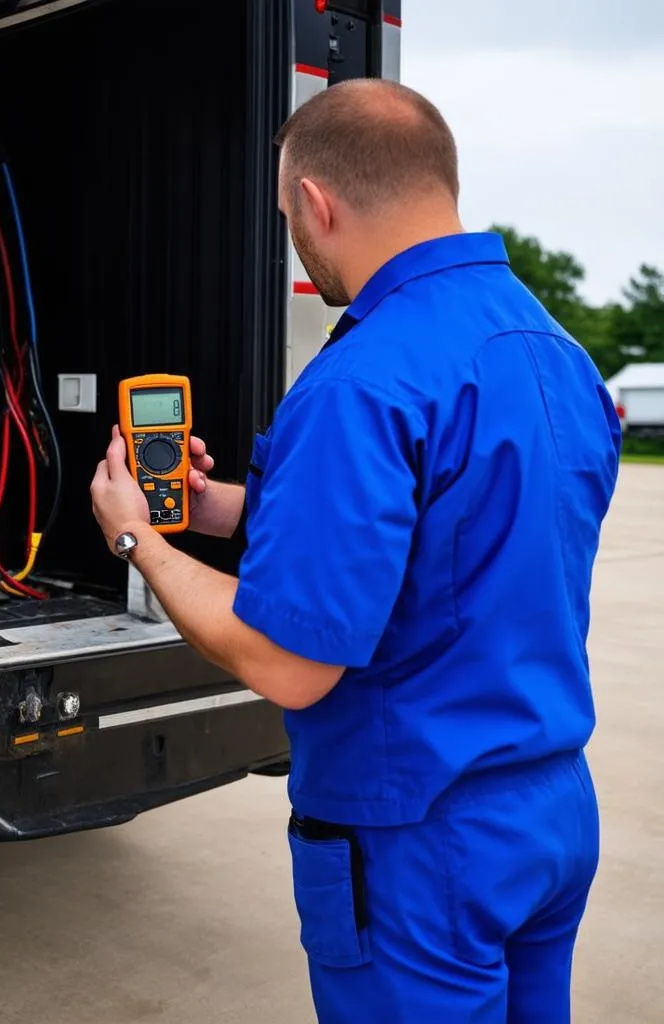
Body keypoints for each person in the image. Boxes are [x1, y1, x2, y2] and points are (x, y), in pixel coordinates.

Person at [90, 79, 621, 1022]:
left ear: (319, 204)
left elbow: (292, 667)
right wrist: (218, 511)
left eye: (291, 216)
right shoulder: (551, 350)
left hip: (421, 837)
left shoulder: (363, 379)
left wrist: (140, 538)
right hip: (549, 814)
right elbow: (456, 533)